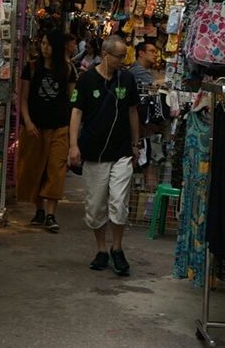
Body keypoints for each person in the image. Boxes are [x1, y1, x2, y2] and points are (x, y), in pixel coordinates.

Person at [69, 34, 140, 276]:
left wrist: (135, 143)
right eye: (119, 57)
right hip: (94, 152)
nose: (123, 61)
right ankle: (101, 250)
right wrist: (73, 146)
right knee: (96, 206)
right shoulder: (87, 80)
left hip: (121, 152)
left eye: (125, 56)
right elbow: (76, 113)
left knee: (118, 202)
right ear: (106, 55)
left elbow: (132, 111)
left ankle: (117, 249)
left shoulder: (128, 80)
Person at [17, 29, 77, 232]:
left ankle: (51, 214)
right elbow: (23, 98)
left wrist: (71, 131)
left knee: (56, 170)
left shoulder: (68, 70)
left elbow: (72, 102)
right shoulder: (31, 67)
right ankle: (39, 210)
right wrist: (28, 121)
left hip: (59, 127)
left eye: (49, 44)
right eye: (43, 43)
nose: (45, 48)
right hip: (34, 128)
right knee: (35, 168)